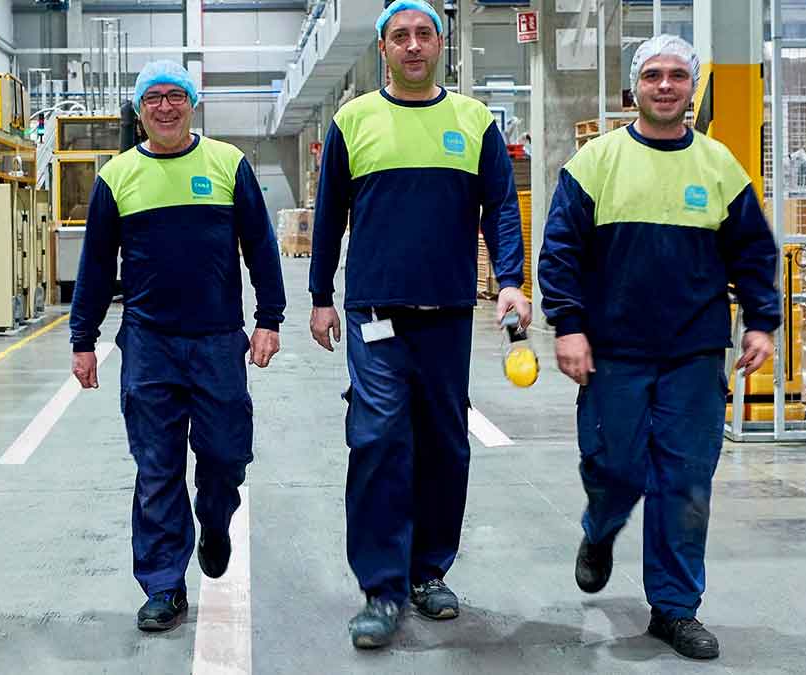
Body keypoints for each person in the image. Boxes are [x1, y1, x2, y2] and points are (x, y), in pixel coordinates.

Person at [538, 35, 779, 661]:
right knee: (614, 467)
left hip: (692, 356)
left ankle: (674, 608)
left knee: (685, 483)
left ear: (691, 86)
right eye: (653, 76)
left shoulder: (721, 166)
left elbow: (752, 252)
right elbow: (561, 251)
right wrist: (567, 325)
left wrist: (761, 321)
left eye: (676, 75)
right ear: (634, 88)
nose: (665, 86)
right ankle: (600, 527)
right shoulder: (597, 162)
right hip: (613, 352)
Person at [309, 0, 529, 649]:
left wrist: (512, 279)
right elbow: (328, 216)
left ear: (440, 44)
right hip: (374, 311)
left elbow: (501, 208)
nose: (411, 45)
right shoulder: (355, 121)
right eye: (399, 36)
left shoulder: (474, 121)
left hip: (448, 313)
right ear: (384, 48)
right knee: (376, 439)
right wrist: (321, 294)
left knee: (444, 443)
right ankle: (381, 587)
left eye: (422, 34)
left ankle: (428, 570)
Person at [69, 60, 287, 633]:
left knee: (224, 458)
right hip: (148, 344)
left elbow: (261, 248)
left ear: (192, 103)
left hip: (218, 342)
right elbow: (95, 266)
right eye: (152, 100)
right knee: (156, 469)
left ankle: (215, 520)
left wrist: (269, 319)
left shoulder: (226, 164)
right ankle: (164, 584)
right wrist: (83, 339)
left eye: (175, 97)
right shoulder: (117, 177)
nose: (164, 107)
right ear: (139, 112)